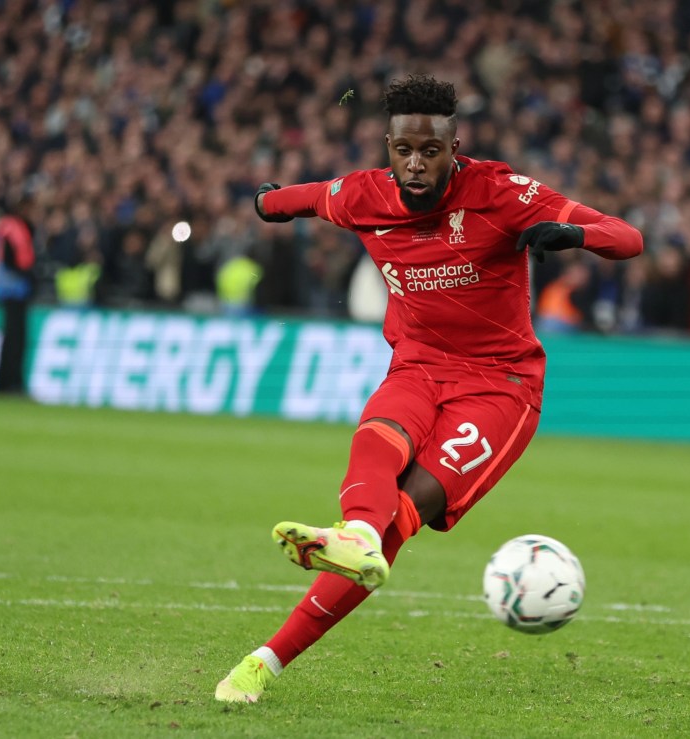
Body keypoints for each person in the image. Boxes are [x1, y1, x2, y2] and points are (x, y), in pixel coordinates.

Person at [215, 74, 643, 703]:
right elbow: (296, 199)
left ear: (454, 148)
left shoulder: (500, 192)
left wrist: (573, 233)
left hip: (500, 387)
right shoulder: (364, 195)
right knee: (377, 441)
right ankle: (352, 538)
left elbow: (628, 239)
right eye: (403, 151)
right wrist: (263, 201)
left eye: (431, 152)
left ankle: (266, 659)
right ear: (388, 147)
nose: (415, 165)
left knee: (404, 514)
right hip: (417, 365)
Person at [0, 195, 35, 394]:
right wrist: (29, 276)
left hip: (7, 287)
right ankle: (11, 383)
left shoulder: (3, 226)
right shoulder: (14, 227)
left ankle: (4, 382)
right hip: (15, 288)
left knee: (11, 337)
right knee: (16, 338)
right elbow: (17, 259)